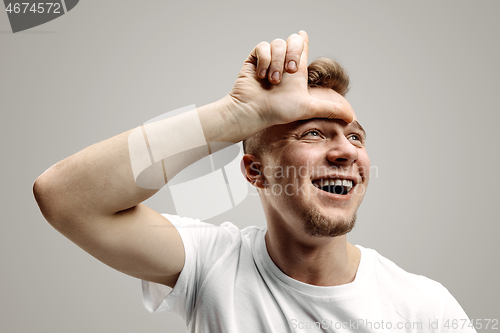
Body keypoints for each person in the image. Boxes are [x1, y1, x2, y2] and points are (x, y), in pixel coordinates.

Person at [33, 31, 475, 332]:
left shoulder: (424, 308)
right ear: (255, 172)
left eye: (355, 136)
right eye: (314, 133)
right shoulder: (211, 263)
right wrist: (234, 117)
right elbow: (64, 198)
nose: (345, 151)